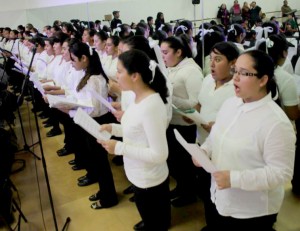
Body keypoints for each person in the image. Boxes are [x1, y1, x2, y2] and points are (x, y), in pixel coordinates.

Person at [194, 49, 296, 231]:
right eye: (235, 71)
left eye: (244, 73)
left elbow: (281, 173)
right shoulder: (232, 103)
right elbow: (217, 134)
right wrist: (205, 150)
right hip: (221, 196)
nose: (235, 78)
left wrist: (234, 179)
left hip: (251, 210)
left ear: (263, 80)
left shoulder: (276, 122)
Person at [99, 49, 171, 231]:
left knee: (155, 223)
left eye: (120, 71)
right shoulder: (138, 98)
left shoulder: (151, 105)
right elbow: (135, 131)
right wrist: (113, 128)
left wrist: (119, 148)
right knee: (150, 220)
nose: (116, 75)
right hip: (138, 174)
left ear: (135, 76)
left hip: (149, 180)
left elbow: (159, 154)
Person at [63, 41, 118, 208]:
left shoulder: (95, 78)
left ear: (84, 58)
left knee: (101, 162)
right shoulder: (88, 74)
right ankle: (104, 191)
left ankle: (109, 197)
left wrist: (71, 108)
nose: (71, 63)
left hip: (96, 122)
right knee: (96, 161)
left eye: (73, 59)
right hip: (91, 122)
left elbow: (93, 108)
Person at [161, 36, 203, 207]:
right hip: (172, 122)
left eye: (165, 52)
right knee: (174, 162)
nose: (163, 57)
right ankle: (181, 187)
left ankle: (189, 193)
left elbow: (196, 104)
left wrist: (170, 97)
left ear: (179, 52)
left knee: (185, 164)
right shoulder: (172, 67)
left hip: (186, 126)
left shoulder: (191, 71)